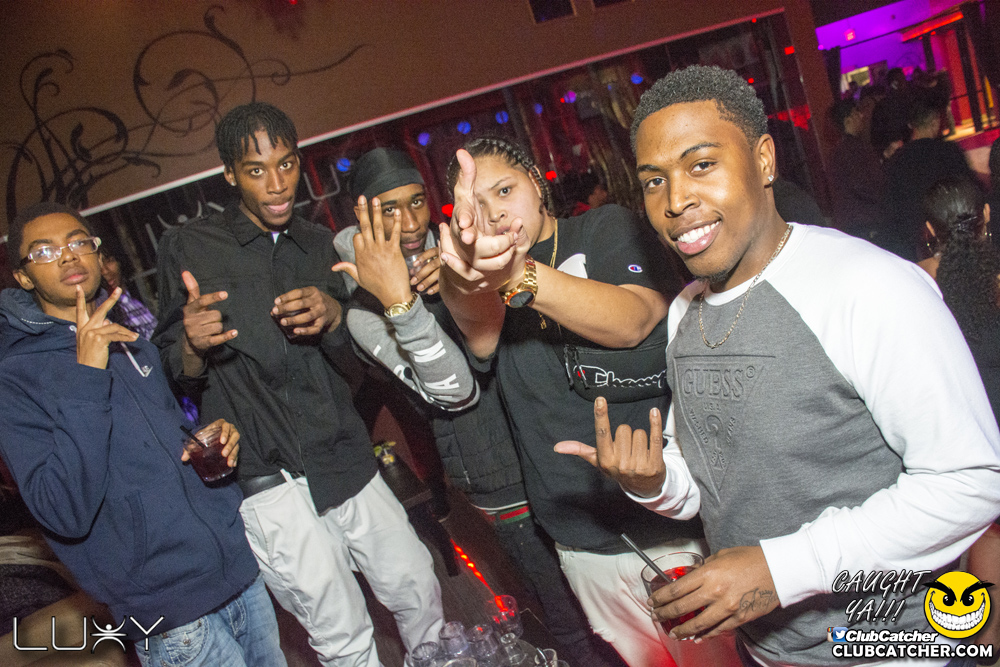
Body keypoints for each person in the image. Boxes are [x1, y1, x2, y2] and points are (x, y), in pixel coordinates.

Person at [558, 65, 1000, 667]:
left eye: (701, 164)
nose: (675, 200)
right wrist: (655, 483)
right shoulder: (685, 311)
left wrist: (782, 568)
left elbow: (971, 481)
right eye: (654, 180)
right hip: (770, 648)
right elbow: (713, 485)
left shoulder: (868, 287)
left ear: (764, 160)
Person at [153, 103, 443, 667]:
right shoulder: (190, 247)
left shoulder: (321, 245)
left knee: (418, 586)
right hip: (269, 477)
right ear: (230, 174)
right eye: (256, 170)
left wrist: (335, 320)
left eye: (286, 164)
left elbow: (362, 371)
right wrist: (191, 343)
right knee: (342, 632)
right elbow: (171, 371)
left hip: (344, 455)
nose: (277, 183)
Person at [334, 147, 625, 667]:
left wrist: (461, 275)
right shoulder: (363, 312)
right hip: (495, 468)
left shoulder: (465, 245)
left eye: (417, 201)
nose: (410, 223)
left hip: (550, 440)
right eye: (389, 209)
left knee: (613, 595)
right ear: (364, 216)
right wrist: (407, 302)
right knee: (564, 614)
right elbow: (457, 389)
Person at [436, 136, 705, 667]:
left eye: (505, 190)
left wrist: (519, 274)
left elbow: (635, 320)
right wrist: (461, 272)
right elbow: (477, 328)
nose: (495, 213)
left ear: (537, 183)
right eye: (476, 204)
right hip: (577, 534)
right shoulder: (482, 282)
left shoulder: (603, 228)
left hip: (670, 516)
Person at [0, 202, 285, 667]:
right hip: (169, 614)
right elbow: (61, 510)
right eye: (45, 251)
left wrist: (204, 438)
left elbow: (159, 443)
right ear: (23, 277)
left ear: (97, 253)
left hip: (238, 572)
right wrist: (87, 375)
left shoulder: (131, 340)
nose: (68, 256)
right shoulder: (15, 376)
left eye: (78, 242)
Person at [917, 177, 999, 421]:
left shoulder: (914, 280)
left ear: (931, 229)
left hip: (953, 420)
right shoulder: (995, 282)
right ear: (986, 214)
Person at [883, 87, 976, 261]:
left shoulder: (896, 162)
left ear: (911, 124)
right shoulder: (948, 152)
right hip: (952, 238)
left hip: (916, 246)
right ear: (935, 121)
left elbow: (892, 210)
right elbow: (970, 191)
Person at [827, 98, 888, 242]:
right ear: (847, 120)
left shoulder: (840, 150)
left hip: (854, 223)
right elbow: (861, 184)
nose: (861, 116)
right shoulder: (853, 149)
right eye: (856, 112)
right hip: (865, 223)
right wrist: (884, 198)